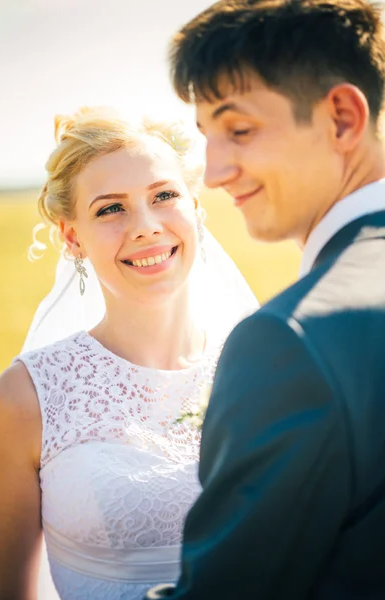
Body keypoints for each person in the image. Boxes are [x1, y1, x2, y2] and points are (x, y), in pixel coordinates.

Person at [146, 1, 385, 599]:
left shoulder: (290, 340)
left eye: (240, 130)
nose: (216, 172)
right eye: (206, 137)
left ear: (342, 118)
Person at [0, 106, 258, 600]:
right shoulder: (26, 398)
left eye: (165, 196)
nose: (147, 226)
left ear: (195, 207)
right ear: (73, 237)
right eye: (111, 208)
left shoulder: (259, 368)